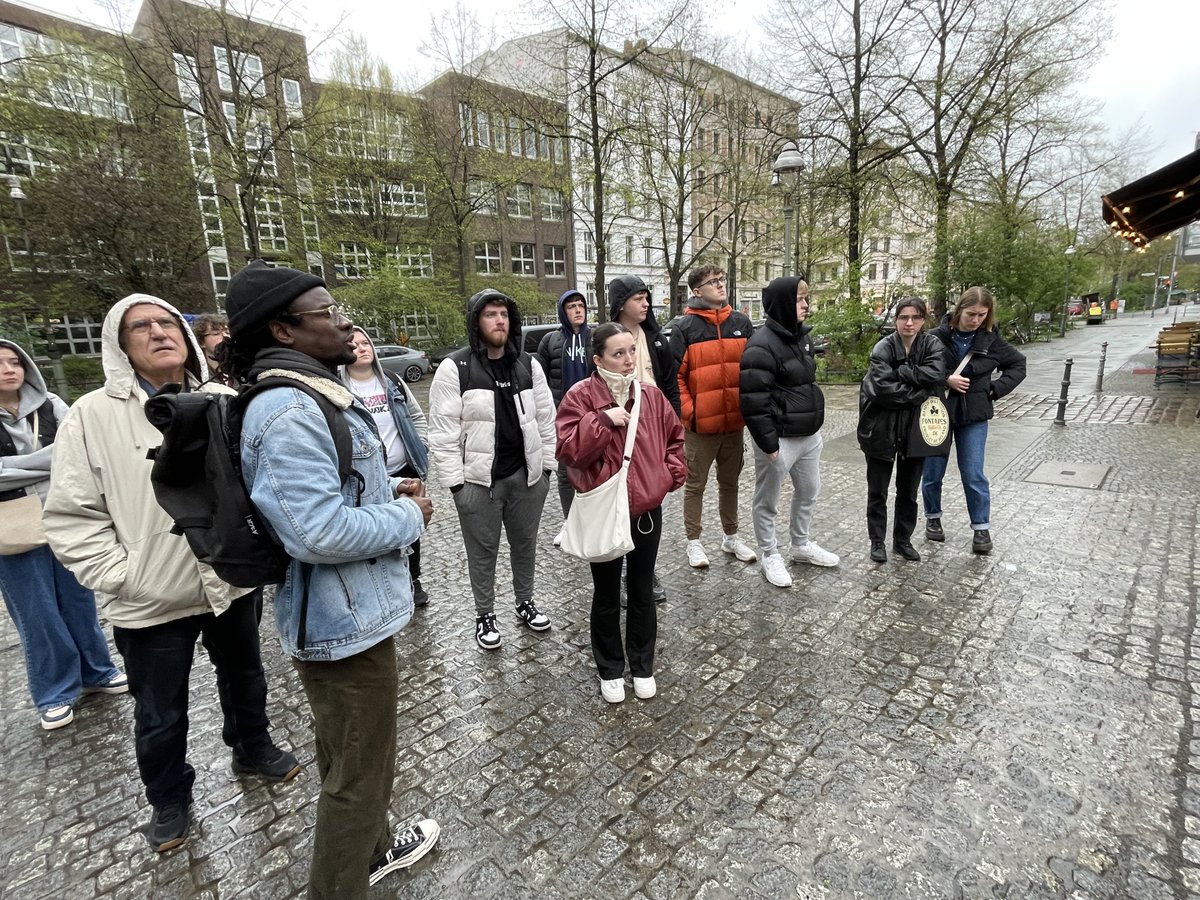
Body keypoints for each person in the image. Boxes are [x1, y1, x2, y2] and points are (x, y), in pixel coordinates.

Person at [43, 293, 300, 854]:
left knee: (246, 677)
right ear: (119, 343)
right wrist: (121, 573)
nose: (159, 332)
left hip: (227, 579)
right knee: (160, 708)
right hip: (150, 596)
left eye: (167, 323)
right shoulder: (92, 415)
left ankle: (252, 746)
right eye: (142, 327)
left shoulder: (224, 400)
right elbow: (70, 514)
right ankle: (169, 798)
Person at [223, 261, 438, 899]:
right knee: (360, 776)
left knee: (345, 756)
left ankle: (374, 849)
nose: (344, 319)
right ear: (284, 331)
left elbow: (324, 494)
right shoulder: (288, 408)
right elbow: (314, 532)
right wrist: (406, 513)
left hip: (347, 616)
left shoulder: (310, 392)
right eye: (327, 311)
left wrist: (380, 486)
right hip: (341, 626)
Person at [0, 339, 127, 731]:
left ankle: (97, 672)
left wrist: (16, 467)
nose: (9, 368)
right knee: (36, 611)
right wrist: (44, 463)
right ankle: (55, 691)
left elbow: (76, 452)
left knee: (79, 599)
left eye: (14, 361)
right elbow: (56, 458)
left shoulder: (51, 405)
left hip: (64, 515)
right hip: (13, 524)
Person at [555, 323, 686, 703]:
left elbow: (674, 439)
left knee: (642, 590)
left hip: (646, 509)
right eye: (618, 353)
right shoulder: (580, 397)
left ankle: (642, 664)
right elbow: (568, 452)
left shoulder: (650, 394)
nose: (628, 360)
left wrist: (668, 476)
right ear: (597, 360)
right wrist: (601, 421)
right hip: (603, 510)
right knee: (607, 592)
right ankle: (610, 667)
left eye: (631, 351)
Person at [428, 289, 556, 650]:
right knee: (482, 552)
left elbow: (547, 421)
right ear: (476, 322)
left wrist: (546, 470)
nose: (499, 320)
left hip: (526, 478)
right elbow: (443, 433)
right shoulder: (457, 368)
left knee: (525, 544)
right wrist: (457, 487)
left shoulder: (528, 365)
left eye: (503, 314)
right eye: (490, 315)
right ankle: (485, 614)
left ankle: (524, 601)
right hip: (479, 484)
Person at [739, 277, 839, 588]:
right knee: (767, 501)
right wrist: (769, 445)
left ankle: (801, 545)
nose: (806, 305)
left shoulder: (803, 338)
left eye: (806, 299)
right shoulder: (760, 346)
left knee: (809, 491)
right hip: (779, 439)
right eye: (800, 299)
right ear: (783, 303)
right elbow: (753, 401)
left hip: (808, 436)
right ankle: (770, 554)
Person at [922, 286, 1027, 554]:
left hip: (974, 416)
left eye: (982, 315)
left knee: (973, 473)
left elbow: (1018, 365)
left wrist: (994, 389)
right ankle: (933, 518)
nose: (976, 320)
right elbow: (918, 369)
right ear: (959, 310)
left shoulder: (990, 341)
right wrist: (946, 379)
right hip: (939, 414)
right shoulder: (935, 338)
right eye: (971, 314)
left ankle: (981, 528)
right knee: (933, 472)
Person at [670, 265, 756, 569]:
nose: (721, 285)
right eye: (713, 282)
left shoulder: (742, 323)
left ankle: (731, 536)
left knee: (730, 482)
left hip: (733, 424)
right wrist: (691, 413)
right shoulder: (684, 328)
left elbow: (752, 370)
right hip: (699, 428)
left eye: (722, 280)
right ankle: (693, 542)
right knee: (695, 485)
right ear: (697, 291)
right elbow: (675, 378)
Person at [339, 326, 432, 606]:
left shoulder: (392, 381)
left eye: (366, 342)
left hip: (404, 468)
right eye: (353, 344)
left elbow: (416, 416)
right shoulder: (339, 389)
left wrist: (422, 445)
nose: (362, 348)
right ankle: (383, 585)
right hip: (368, 475)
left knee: (410, 525)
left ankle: (413, 580)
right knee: (377, 528)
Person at [856, 297, 947, 564]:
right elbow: (883, 390)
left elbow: (936, 374)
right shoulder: (882, 348)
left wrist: (904, 372)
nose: (909, 323)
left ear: (923, 320)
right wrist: (919, 390)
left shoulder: (932, 345)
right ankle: (877, 541)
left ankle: (903, 540)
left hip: (915, 432)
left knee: (908, 491)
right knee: (878, 492)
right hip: (881, 429)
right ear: (896, 319)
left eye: (915, 318)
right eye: (904, 317)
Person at [609, 274, 679, 602]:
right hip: (621, 430)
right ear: (621, 303)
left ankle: (647, 569)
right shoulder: (607, 338)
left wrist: (674, 426)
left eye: (646, 298)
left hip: (653, 427)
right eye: (639, 298)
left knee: (650, 497)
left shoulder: (657, 338)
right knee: (621, 501)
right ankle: (624, 572)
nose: (646, 304)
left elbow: (670, 384)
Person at [535, 289, 592, 548]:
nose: (578, 310)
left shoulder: (596, 337)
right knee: (566, 471)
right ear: (563, 311)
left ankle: (592, 521)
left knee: (594, 468)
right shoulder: (550, 341)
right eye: (571, 306)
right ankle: (570, 522)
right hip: (563, 416)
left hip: (593, 414)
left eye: (581, 305)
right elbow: (542, 381)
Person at [192, 313, 234, 386]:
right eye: (216, 333)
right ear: (201, 342)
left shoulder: (242, 368)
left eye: (227, 332)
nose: (225, 336)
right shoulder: (197, 376)